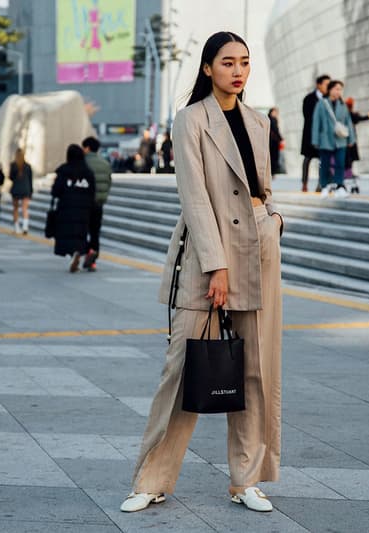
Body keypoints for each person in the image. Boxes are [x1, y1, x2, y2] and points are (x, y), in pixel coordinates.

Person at [121, 30, 284, 515]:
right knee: (182, 370)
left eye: (245, 62)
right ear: (208, 68)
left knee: (256, 370)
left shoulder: (257, 122)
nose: (238, 70)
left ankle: (246, 479)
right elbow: (194, 197)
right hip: (207, 255)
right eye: (228, 61)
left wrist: (275, 221)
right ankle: (151, 479)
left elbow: (264, 186)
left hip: (259, 246)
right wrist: (216, 266)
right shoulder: (190, 119)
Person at [51, 144, 95, 272]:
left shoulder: (63, 171)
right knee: (80, 233)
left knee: (67, 233)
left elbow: (56, 191)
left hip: (66, 208)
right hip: (84, 209)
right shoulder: (88, 172)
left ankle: (73, 254)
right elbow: (92, 191)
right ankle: (81, 252)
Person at [312, 80, 356, 198]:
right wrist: (315, 140)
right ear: (330, 89)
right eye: (336, 88)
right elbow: (316, 122)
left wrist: (351, 139)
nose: (338, 91)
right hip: (325, 139)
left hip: (340, 140)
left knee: (340, 164)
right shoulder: (322, 104)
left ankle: (339, 186)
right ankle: (325, 186)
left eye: (340, 89)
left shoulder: (343, 105)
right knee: (325, 165)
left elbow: (348, 122)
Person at [82, 136, 112, 271]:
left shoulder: (83, 163)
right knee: (95, 232)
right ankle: (93, 258)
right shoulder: (105, 163)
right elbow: (108, 183)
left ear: (87, 148)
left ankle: (87, 252)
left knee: (83, 230)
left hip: (84, 203)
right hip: (98, 203)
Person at [300, 74, 330, 192]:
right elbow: (307, 116)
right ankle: (304, 183)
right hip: (309, 134)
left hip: (324, 135)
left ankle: (320, 184)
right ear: (319, 85)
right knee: (307, 159)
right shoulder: (308, 98)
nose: (328, 87)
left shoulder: (328, 99)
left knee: (323, 160)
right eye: (326, 84)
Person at [344, 97, 369, 189]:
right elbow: (362, 118)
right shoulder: (348, 113)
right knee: (349, 157)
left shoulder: (349, 113)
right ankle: (348, 173)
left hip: (349, 138)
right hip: (348, 138)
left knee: (350, 157)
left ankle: (348, 173)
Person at [9, 148, 33, 235]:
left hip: (16, 189)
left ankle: (17, 227)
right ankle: (25, 226)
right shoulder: (28, 166)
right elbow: (30, 180)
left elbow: (10, 177)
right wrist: (31, 191)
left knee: (15, 208)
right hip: (26, 189)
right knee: (25, 209)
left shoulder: (13, 165)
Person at [267, 107, 283, 175]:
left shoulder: (267, 119)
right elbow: (276, 130)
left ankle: (270, 172)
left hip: (269, 141)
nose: (277, 114)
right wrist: (281, 138)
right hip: (273, 141)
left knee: (270, 157)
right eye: (276, 112)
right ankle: (272, 172)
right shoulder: (273, 119)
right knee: (274, 157)